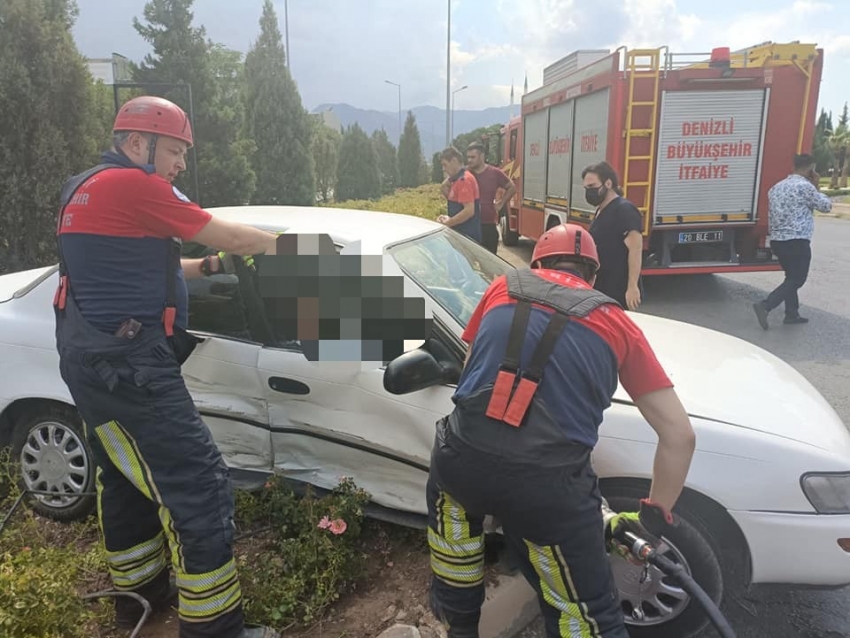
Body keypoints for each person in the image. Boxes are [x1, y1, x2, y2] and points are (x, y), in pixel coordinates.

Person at [53, 95, 281, 638]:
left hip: (93, 361)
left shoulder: (83, 188)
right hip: (132, 368)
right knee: (198, 483)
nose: (180, 165)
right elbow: (230, 234)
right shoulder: (135, 185)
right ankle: (214, 629)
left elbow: (138, 259)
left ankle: (140, 599)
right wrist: (299, 252)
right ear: (138, 143)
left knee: (126, 480)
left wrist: (206, 268)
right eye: (175, 152)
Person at [425, 222, 696, 638]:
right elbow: (680, 436)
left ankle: (459, 629)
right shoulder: (617, 323)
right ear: (592, 275)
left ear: (537, 263)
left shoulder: (501, 287)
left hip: (460, 463)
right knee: (583, 612)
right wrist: (651, 519)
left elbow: (470, 373)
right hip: (548, 490)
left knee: (454, 560)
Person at [752, 153, 832, 329]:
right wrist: (816, 185)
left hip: (778, 241)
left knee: (790, 277)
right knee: (797, 279)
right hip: (797, 240)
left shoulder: (776, 187)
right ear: (810, 168)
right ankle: (766, 306)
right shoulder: (805, 187)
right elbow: (826, 206)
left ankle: (791, 313)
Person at [583, 161, 644, 310]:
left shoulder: (625, 210)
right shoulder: (600, 210)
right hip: (602, 289)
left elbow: (635, 250)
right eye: (586, 188)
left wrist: (632, 287)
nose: (589, 192)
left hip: (618, 292)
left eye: (592, 186)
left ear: (608, 183)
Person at [464, 141, 516, 254]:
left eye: (473, 157)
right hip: (469, 225)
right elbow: (446, 186)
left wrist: (501, 203)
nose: (469, 160)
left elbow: (512, 187)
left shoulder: (494, 173)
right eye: (468, 157)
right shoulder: (464, 173)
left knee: (489, 265)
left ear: (482, 156)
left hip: (488, 226)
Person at [437, 146, 483, 244]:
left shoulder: (464, 180)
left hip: (466, 237)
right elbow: (459, 208)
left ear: (453, 161)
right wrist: (448, 218)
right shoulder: (456, 180)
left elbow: (469, 211)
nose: (443, 169)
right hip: (461, 235)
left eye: (445, 165)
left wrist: (449, 222)